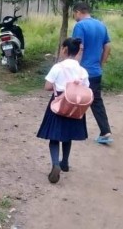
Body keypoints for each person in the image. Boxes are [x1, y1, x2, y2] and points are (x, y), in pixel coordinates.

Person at [37, 37, 89, 184]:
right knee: (68, 135)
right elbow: (86, 88)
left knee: (54, 137)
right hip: (76, 105)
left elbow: (47, 86)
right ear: (78, 51)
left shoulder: (58, 67)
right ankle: (65, 162)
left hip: (58, 103)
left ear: (65, 50)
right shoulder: (82, 71)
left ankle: (55, 163)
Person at [72, 2, 113, 144]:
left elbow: (79, 48)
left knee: (74, 99)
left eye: (74, 13)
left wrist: (74, 67)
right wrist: (101, 63)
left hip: (82, 71)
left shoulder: (80, 26)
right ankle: (105, 131)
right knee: (96, 101)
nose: (74, 17)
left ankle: (71, 130)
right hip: (95, 72)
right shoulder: (101, 25)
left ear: (78, 12)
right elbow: (107, 46)